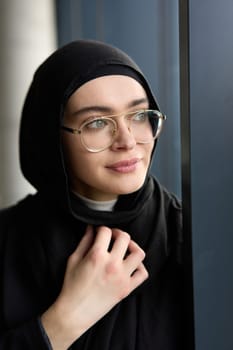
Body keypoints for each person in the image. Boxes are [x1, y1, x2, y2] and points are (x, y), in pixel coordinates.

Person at [0, 40, 184, 349]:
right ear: (51, 137)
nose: (127, 141)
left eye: (139, 115)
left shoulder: (190, 239)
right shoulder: (7, 242)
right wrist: (66, 319)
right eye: (97, 122)